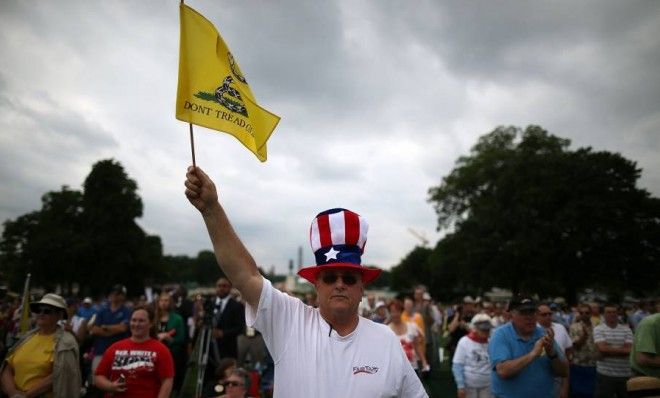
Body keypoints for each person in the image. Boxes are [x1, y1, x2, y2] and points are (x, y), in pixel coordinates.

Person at [184, 166, 428, 397]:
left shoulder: (386, 340)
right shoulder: (289, 321)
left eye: (350, 278)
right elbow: (245, 275)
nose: (340, 284)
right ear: (316, 284)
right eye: (331, 277)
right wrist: (211, 209)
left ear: (362, 287)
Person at [0, 293, 81, 398]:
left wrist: (26, 395)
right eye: (39, 310)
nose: (41, 314)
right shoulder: (27, 338)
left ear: (59, 315)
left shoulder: (66, 343)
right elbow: (7, 367)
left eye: (47, 311)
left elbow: (61, 374)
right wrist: (13, 392)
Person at [488, 295, 569, 398]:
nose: (529, 317)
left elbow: (564, 372)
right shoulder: (501, 335)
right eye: (523, 313)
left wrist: (552, 354)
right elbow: (503, 371)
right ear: (511, 314)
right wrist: (533, 354)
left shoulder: (543, 334)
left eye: (532, 312)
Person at [94, 305, 174, 398]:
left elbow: (167, 381)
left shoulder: (161, 350)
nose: (136, 324)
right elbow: (99, 376)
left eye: (141, 321)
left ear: (151, 324)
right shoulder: (115, 348)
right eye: (134, 320)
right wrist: (110, 386)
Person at [89, 284, 132, 379]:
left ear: (123, 296)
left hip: (120, 352)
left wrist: (106, 328)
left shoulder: (127, 311)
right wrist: (113, 330)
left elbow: (123, 328)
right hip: (101, 350)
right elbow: (94, 329)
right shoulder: (102, 311)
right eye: (112, 293)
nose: (114, 295)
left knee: (117, 379)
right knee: (97, 378)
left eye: (117, 294)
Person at [593, 303, 633, 398]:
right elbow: (602, 349)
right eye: (608, 312)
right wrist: (622, 349)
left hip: (625, 373)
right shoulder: (598, 329)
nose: (612, 314)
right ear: (604, 314)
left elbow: (630, 350)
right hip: (605, 373)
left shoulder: (626, 329)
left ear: (618, 313)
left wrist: (608, 349)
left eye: (614, 312)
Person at [452, 313, 493, 398]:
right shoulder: (464, 342)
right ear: (475, 328)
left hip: (488, 385)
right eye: (483, 330)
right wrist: (460, 386)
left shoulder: (491, 342)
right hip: (469, 387)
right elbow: (457, 365)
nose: (486, 332)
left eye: (487, 330)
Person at [537, 303, 573, 398]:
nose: (548, 316)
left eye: (550, 314)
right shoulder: (533, 331)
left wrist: (565, 387)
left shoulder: (560, 328)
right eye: (544, 314)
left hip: (559, 377)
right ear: (536, 316)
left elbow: (567, 354)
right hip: (539, 380)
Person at [155, 292, 186, 393]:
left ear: (171, 302)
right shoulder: (154, 318)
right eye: (161, 300)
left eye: (166, 300)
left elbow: (182, 339)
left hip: (173, 354)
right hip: (156, 354)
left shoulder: (177, 319)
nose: (163, 303)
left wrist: (169, 339)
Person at [388, 299, 429, 373]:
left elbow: (417, 346)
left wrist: (424, 362)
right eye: (392, 312)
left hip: (413, 368)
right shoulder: (386, 330)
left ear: (401, 312)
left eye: (397, 311)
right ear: (390, 313)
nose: (395, 314)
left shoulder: (412, 326)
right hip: (395, 370)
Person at [570, 303, 600, 398]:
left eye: (586, 312)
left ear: (591, 313)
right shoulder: (574, 326)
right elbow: (575, 345)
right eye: (581, 313)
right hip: (579, 364)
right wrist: (584, 336)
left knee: (592, 393)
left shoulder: (597, 326)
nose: (584, 315)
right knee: (578, 393)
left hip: (594, 364)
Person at [212, 278, 246, 361]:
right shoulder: (210, 304)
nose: (221, 288)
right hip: (211, 348)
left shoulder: (237, 306)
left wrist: (223, 333)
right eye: (219, 286)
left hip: (228, 349)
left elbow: (241, 328)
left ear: (230, 288)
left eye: (224, 286)